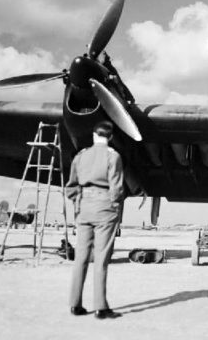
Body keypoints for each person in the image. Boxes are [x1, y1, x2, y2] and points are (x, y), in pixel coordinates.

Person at [66, 121, 125, 319]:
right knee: (101, 259)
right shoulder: (113, 156)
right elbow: (116, 187)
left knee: (80, 258)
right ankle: (101, 308)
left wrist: (79, 204)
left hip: (83, 207)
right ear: (110, 137)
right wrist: (115, 208)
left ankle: (75, 305)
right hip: (104, 206)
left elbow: (71, 186)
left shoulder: (81, 155)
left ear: (93, 135)